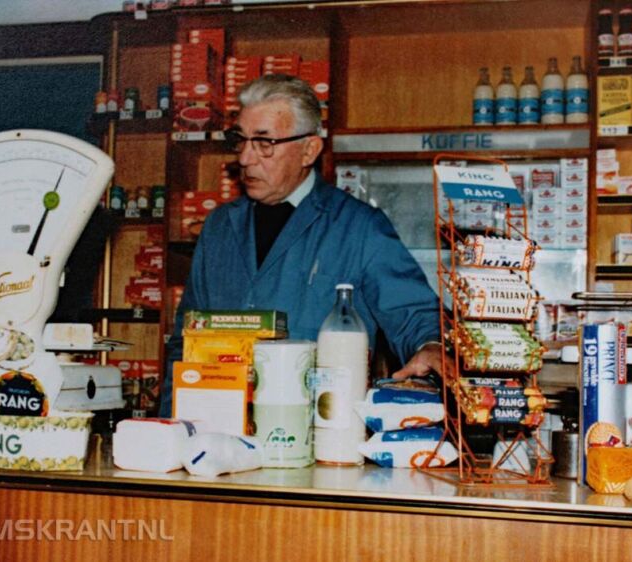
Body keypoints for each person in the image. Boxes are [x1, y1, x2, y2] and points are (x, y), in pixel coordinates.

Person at [159, 74, 444, 417]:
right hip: (216, 434)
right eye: (240, 140)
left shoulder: (358, 227)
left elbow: (413, 312)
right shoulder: (219, 226)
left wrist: (431, 346)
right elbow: (184, 342)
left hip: (315, 438)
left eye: (264, 143)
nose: (246, 158)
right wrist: (170, 425)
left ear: (309, 149)